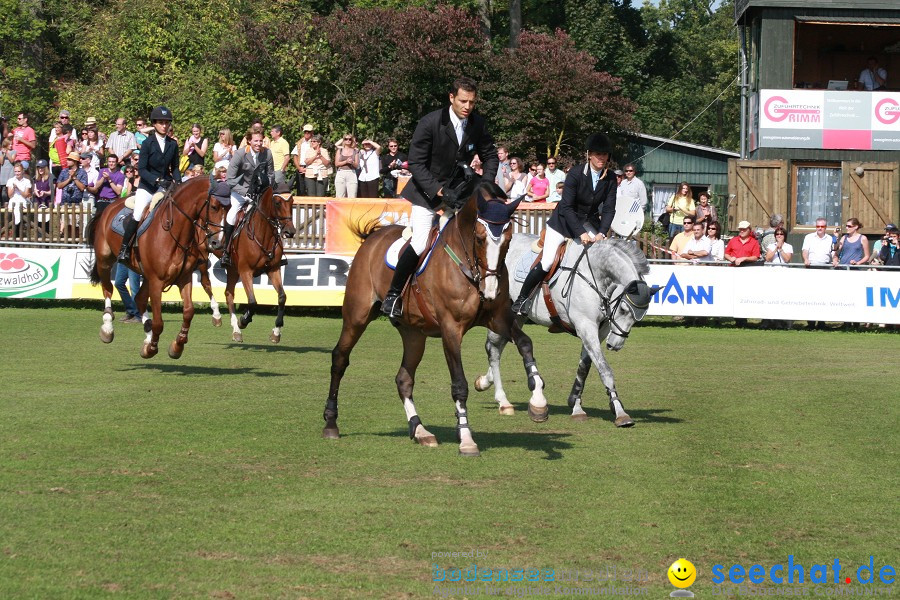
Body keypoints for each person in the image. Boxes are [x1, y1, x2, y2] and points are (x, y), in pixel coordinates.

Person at [382, 76, 499, 318]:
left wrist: (486, 184)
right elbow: (415, 163)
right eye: (463, 101)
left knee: (473, 238)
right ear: (451, 98)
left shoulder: (477, 123)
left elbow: (490, 155)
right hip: (427, 195)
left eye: (472, 102)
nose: (468, 107)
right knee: (421, 242)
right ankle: (393, 294)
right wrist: (440, 191)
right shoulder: (430, 122)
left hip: (460, 193)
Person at [511, 133, 616, 315]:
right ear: (589, 154)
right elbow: (566, 207)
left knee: (603, 257)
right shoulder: (575, 173)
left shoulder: (611, 178)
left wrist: (602, 232)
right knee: (547, 261)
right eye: (598, 154)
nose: (602, 158)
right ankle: (522, 299)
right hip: (562, 223)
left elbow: (609, 209)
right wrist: (581, 233)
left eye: (605, 154)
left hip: (589, 223)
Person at [117, 106, 182, 264]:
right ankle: (124, 248)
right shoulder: (147, 143)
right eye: (161, 122)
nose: (164, 125)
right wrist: (156, 180)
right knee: (138, 213)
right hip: (147, 186)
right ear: (154, 124)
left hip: (165, 186)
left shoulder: (172, 144)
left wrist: (179, 182)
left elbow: (175, 167)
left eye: (167, 123)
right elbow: (142, 169)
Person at [222, 130, 275, 267]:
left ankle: (273, 250)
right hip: (240, 191)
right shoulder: (240, 154)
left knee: (269, 215)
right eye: (256, 141)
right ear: (249, 141)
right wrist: (245, 192)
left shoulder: (267, 154)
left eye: (260, 141)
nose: (259, 143)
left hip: (259, 193)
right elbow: (230, 179)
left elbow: (271, 175)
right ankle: (226, 251)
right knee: (232, 215)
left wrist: (265, 190)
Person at [802, 217, 835, 330]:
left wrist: (835, 259)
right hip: (811, 267)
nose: (820, 228)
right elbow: (805, 251)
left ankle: (821, 322)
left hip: (825, 267)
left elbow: (833, 252)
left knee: (823, 295)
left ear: (826, 227)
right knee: (811, 295)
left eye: (822, 226)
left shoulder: (830, 238)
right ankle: (811, 322)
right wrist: (805, 259)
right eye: (818, 226)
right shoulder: (809, 237)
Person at [89, 154, 125, 219]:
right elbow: (96, 186)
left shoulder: (120, 175)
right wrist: (103, 177)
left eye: (113, 162)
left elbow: (118, 191)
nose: (111, 164)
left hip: (112, 201)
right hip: (101, 200)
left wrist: (109, 179)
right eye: (109, 161)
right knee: (96, 221)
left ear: (116, 163)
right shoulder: (102, 171)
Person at [5, 162, 32, 236]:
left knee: (21, 223)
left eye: (19, 171)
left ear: (22, 171)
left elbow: (25, 195)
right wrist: (13, 187)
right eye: (15, 171)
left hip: (22, 202)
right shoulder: (10, 180)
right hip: (13, 202)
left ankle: (21, 238)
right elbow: (10, 195)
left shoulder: (27, 181)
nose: (17, 173)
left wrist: (18, 188)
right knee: (13, 223)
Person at [291, 124, 315, 196]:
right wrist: (299, 168)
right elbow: (295, 156)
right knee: (300, 189)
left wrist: (307, 168)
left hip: (311, 167)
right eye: (305, 132)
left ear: (312, 132)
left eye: (308, 132)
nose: (306, 134)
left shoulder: (314, 142)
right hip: (300, 167)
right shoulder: (300, 142)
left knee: (310, 189)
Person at [334, 134, 359, 198]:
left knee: (352, 196)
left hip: (351, 173)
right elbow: (336, 164)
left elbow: (357, 165)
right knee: (340, 196)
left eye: (350, 139)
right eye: (346, 139)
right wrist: (346, 161)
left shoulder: (355, 151)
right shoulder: (340, 150)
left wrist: (352, 162)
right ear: (343, 140)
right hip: (341, 172)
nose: (348, 140)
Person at [268, 125, 290, 190]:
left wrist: (282, 169)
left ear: (278, 133)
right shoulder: (272, 143)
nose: (270, 133)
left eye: (272, 131)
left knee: (279, 189)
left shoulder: (283, 142)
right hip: (271, 170)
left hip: (278, 170)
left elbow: (287, 157)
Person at [0, 138, 15, 207]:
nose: (11, 146)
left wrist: (7, 153)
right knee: (3, 192)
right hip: (3, 173)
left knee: (9, 188)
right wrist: (3, 154)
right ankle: (4, 204)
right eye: (9, 144)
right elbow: (1, 162)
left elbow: (12, 160)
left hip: (10, 172)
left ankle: (10, 204)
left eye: (12, 144)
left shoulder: (14, 151)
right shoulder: (1, 152)